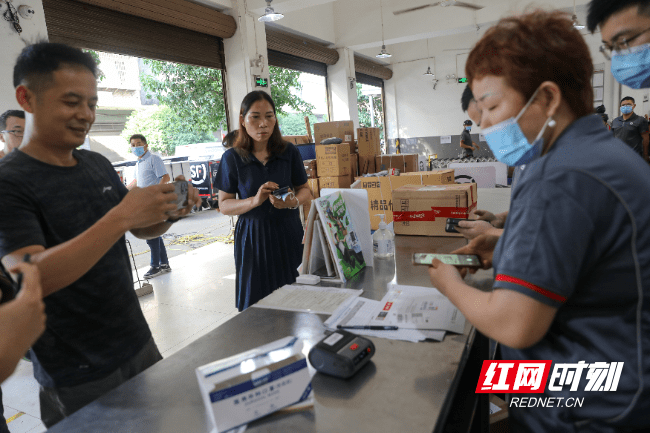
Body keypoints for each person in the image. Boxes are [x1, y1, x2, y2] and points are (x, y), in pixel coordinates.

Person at [429, 11, 650, 431]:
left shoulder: (560, 176)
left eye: (493, 106)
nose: (487, 124)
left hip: (591, 402)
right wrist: (508, 248)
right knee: (480, 380)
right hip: (623, 371)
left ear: (547, 99)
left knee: (452, 385)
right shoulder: (598, 152)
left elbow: (516, 325)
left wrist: (449, 284)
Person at [0, 42, 200, 428]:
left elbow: (140, 228)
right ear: (27, 97)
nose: (86, 115)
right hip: (75, 370)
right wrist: (121, 216)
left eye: (91, 103)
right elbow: (31, 276)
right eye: (72, 102)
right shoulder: (10, 183)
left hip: (136, 340)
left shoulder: (94, 163)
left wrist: (172, 214)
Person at [216, 91, 312, 311]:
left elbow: (306, 190)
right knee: (257, 306)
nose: (263, 124)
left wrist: (293, 202)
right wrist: (254, 200)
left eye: (269, 116)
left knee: (295, 301)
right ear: (242, 119)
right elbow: (224, 205)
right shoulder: (232, 158)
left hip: (289, 233)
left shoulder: (289, 152)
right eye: (255, 117)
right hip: (253, 237)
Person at [128, 134, 172, 279]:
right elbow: (136, 181)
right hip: (143, 203)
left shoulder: (154, 159)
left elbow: (165, 177)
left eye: (138, 144)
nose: (136, 147)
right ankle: (164, 264)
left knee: (149, 234)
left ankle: (155, 266)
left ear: (145, 145)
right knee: (155, 233)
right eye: (133, 145)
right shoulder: (138, 163)